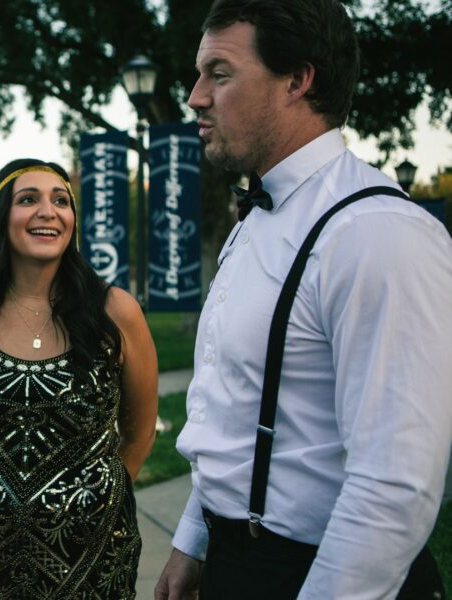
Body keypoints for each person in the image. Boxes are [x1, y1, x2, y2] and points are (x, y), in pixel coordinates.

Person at [155, 1, 452, 598]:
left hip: (322, 574)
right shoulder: (255, 220)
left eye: (219, 73)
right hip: (235, 561)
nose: (195, 97)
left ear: (298, 80)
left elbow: (395, 485)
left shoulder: (374, 233)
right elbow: (236, 405)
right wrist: (195, 536)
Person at [0, 158, 159, 598]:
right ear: (1, 217)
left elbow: (140, 431)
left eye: (61, 200)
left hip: (91, 549)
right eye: (28, 199)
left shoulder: (115, 311)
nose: (48, 211)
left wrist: (92, 499)